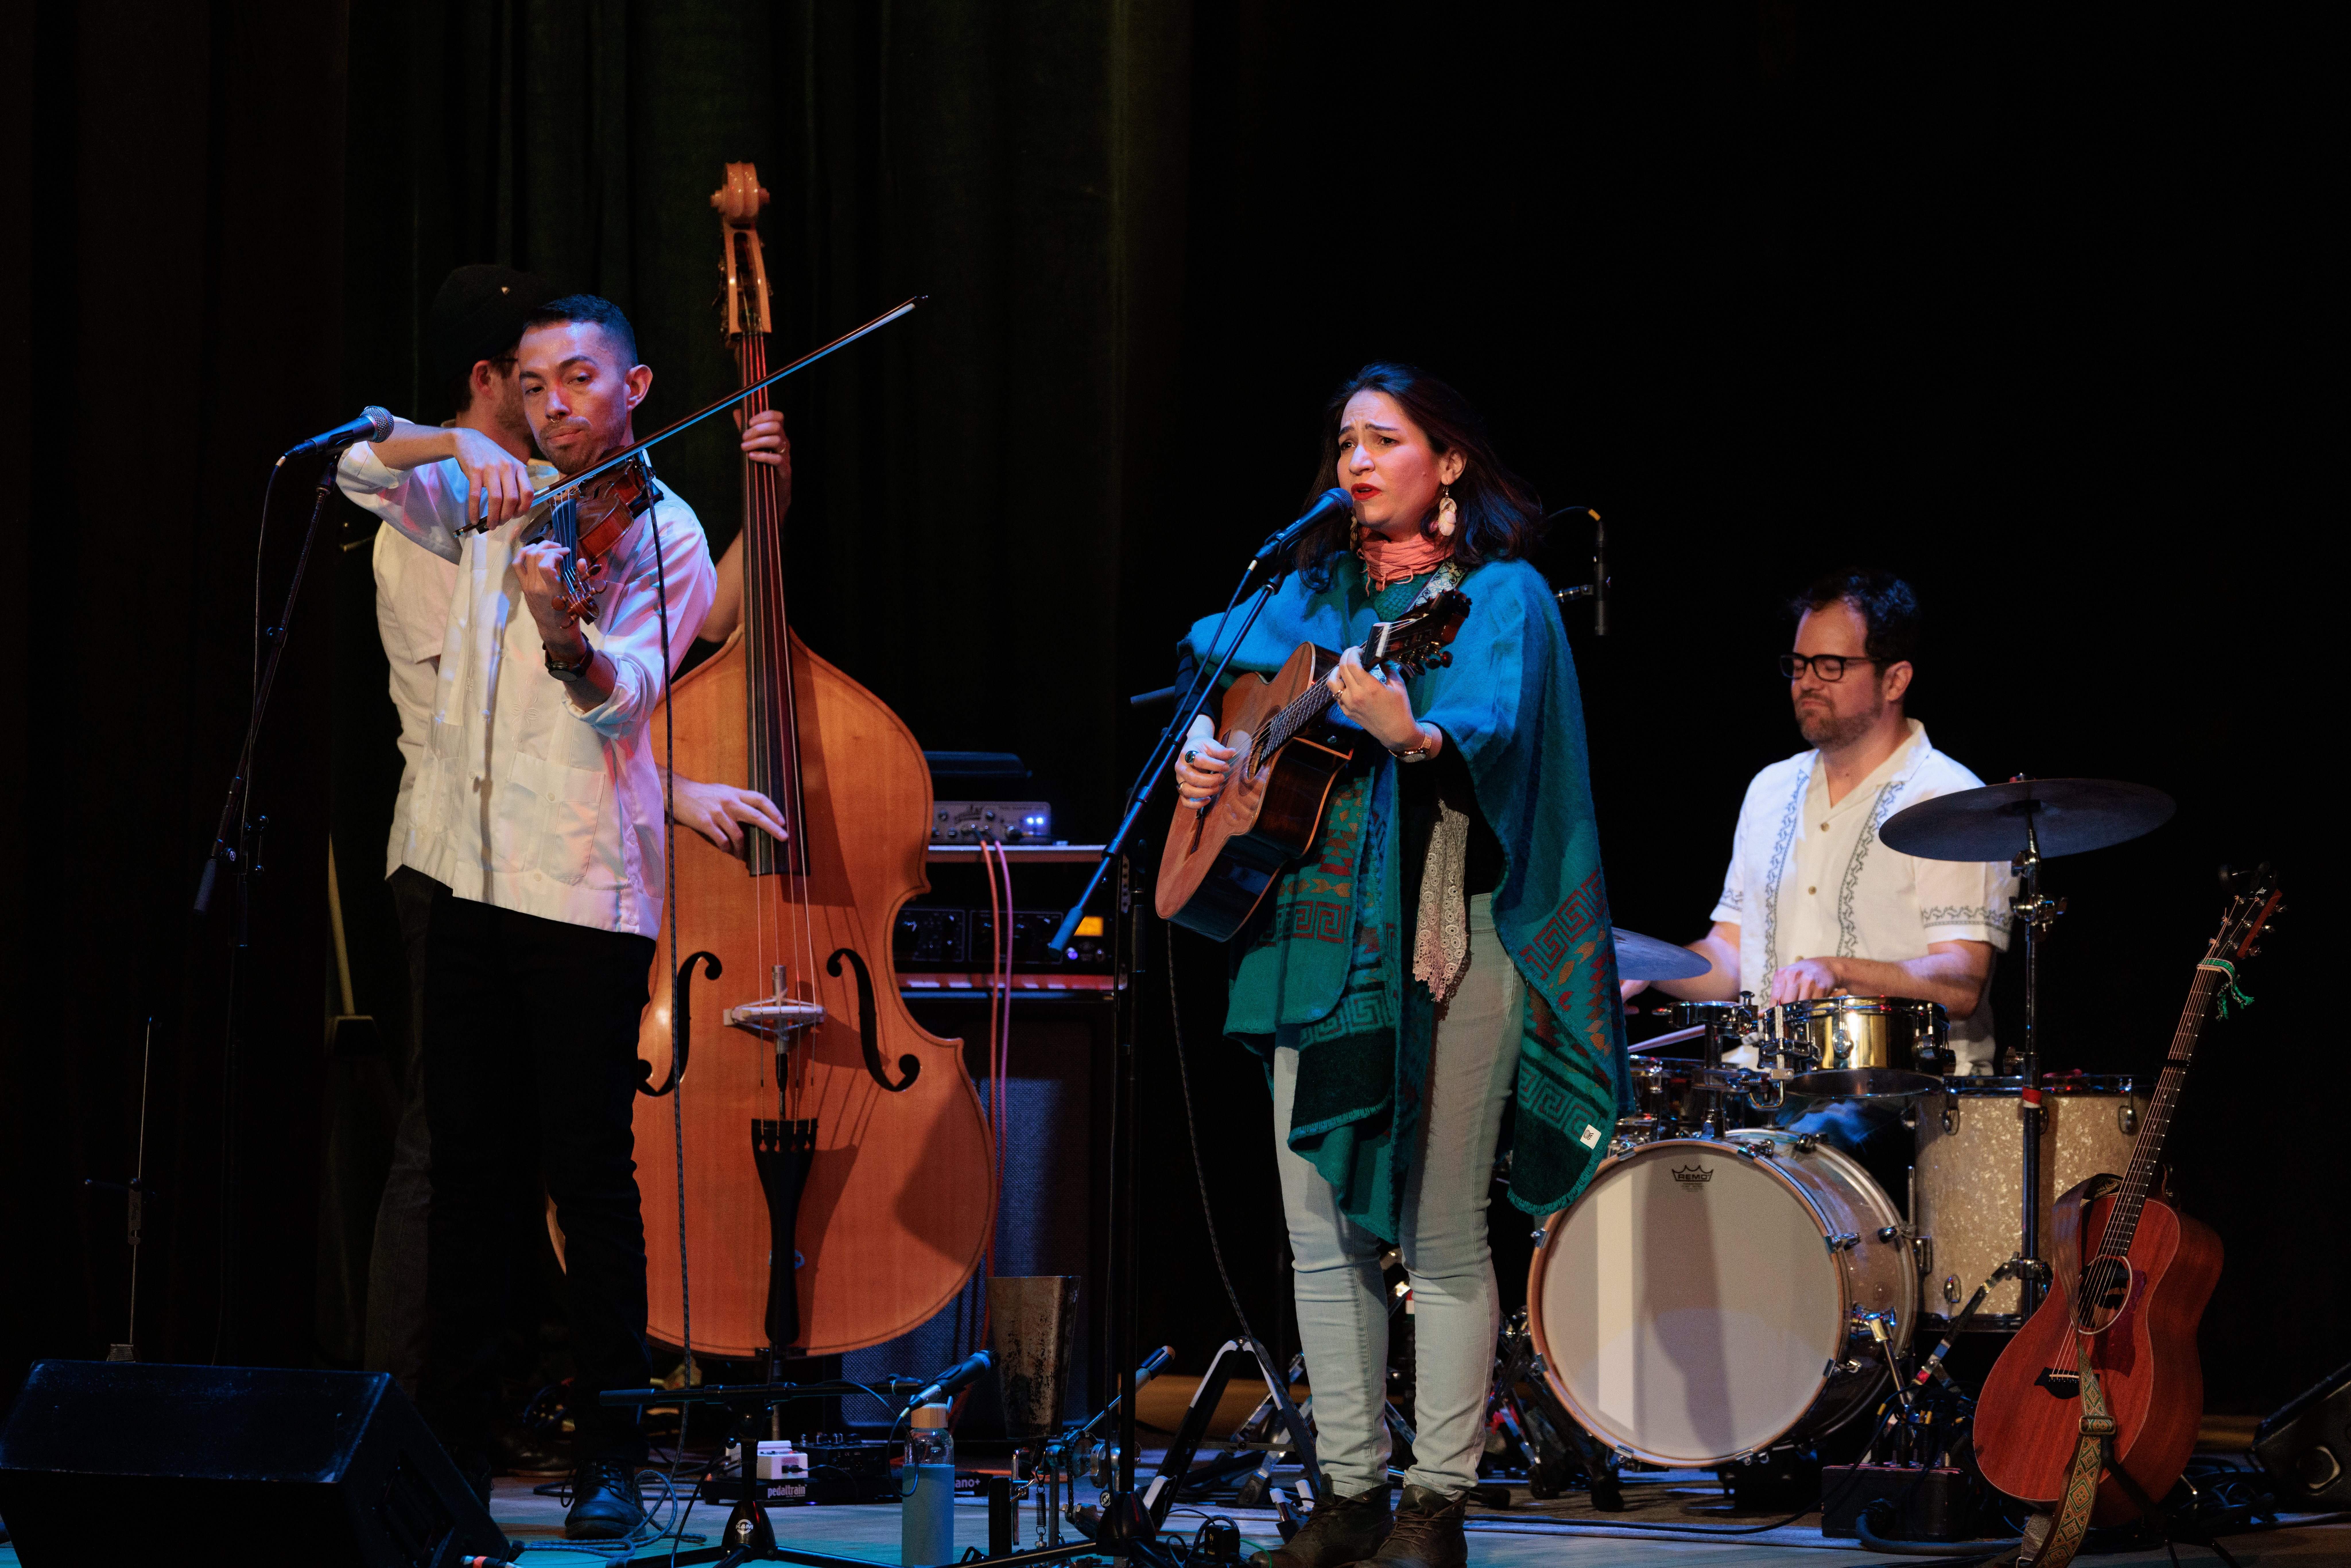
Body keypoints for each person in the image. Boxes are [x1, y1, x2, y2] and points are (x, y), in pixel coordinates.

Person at [1173, 365, 1628, 1568]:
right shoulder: (1310, 590)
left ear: (1451, 462)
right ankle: (1346, 1494)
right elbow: (1219, 686)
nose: (1357, 462)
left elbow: (1489, 727)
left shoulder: (1499, 595)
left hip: (1449, 935)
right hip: (1308, 938)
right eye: (1343, 443)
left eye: (1385, 439)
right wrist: (1208, 763)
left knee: (1436, 1233)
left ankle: (1434, 1500)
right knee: (1316, 1231)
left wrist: (1410, 731)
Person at [363, 270, 791, 1479]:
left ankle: (612, 1457)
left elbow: (623, 704)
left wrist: (563, 634)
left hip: (581, 893)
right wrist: (451, 442)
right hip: (460, 875)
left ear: (635, 388)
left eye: (580, 379)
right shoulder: (476, 492)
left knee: (590, 1178)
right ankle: (448, 1453)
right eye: (536, 384)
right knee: (468, 1184)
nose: (556, 404)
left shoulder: (656, 530)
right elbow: (357, 464)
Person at [1621, 570, 2018, 1182]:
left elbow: (1962, 982)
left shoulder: (1948, 799)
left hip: (1902, 1093)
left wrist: (1838, 970)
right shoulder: (1769, 789)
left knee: (1781, 1169)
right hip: (1769, 1083)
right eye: (1799, 663)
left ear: (1895, 678)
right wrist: (1655, 968)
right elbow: (1730, 957)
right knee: (1648, 1154)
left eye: (1830, 665)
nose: (1805, 681)